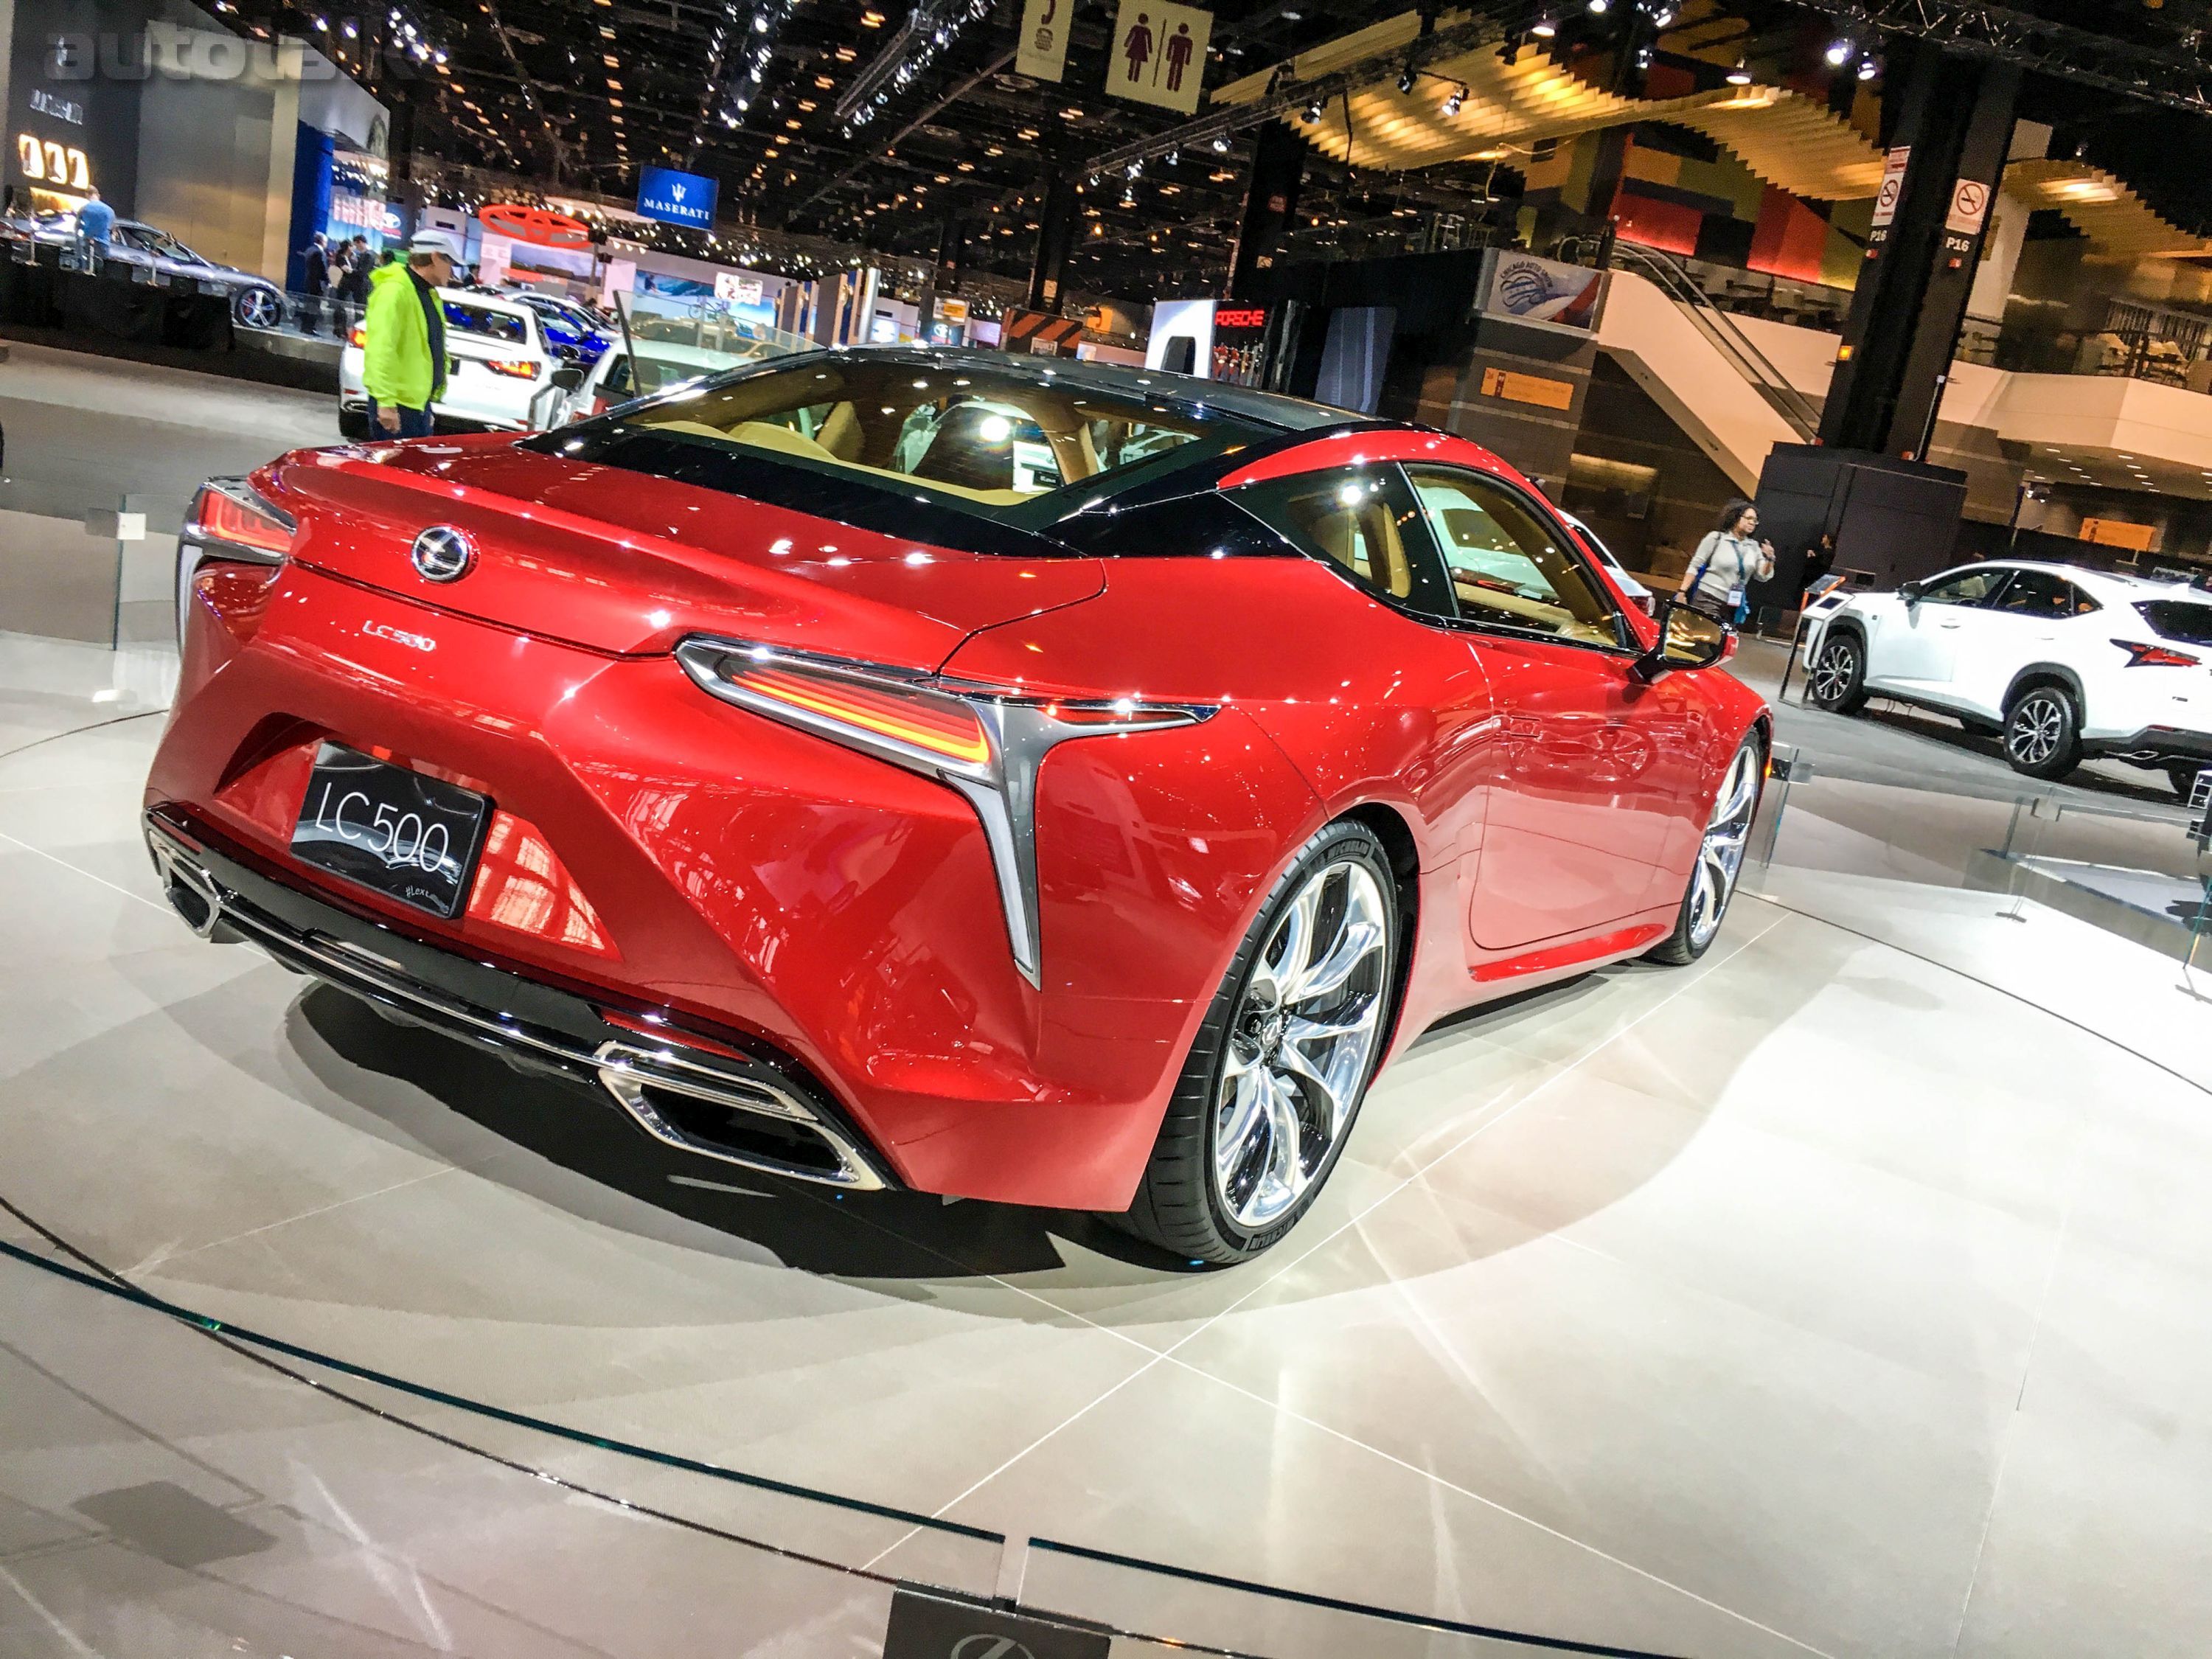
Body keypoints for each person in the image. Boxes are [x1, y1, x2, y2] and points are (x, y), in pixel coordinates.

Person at [361, 229, 456, 439]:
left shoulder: (425, 293)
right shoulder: (394, 291)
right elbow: (381, 349)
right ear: (435, 257)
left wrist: (426, 405)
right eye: (450, 263)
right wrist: (385, 403)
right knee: (392, 470)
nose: (452, 271)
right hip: (398, 406)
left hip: (415, 406)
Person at [1683, 498, 1775, 625]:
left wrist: (1770, 559)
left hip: (1733, 605)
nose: (1752, 523)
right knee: (1706, 638)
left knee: (1723, 642)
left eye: (1755, 520)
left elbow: (1763, 576)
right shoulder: (1716, 538)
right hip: (1707, 598)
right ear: (1736, 518)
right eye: (1748, 518)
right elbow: (1695, 566)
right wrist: (1682, 591)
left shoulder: (1753, 546)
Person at [296, 231, 330, 334]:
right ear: (322, 242)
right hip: (317, 285)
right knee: (314, 307)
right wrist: (328, 280)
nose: (326, 244)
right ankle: (309, 328)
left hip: (309, 282)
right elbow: (322, 270)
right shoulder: (319, 253)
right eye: (326, 242)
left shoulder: (310, 249)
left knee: (308, 305)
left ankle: (304, 326)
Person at [75, 186, 114, 255]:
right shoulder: (110, 210)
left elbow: (77, 226)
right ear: (98, 195)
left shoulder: (84, 209)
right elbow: (111, 228)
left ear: (87, 195)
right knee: (100, 264)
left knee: (86, 264)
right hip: (103, 243)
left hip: (87, 242)